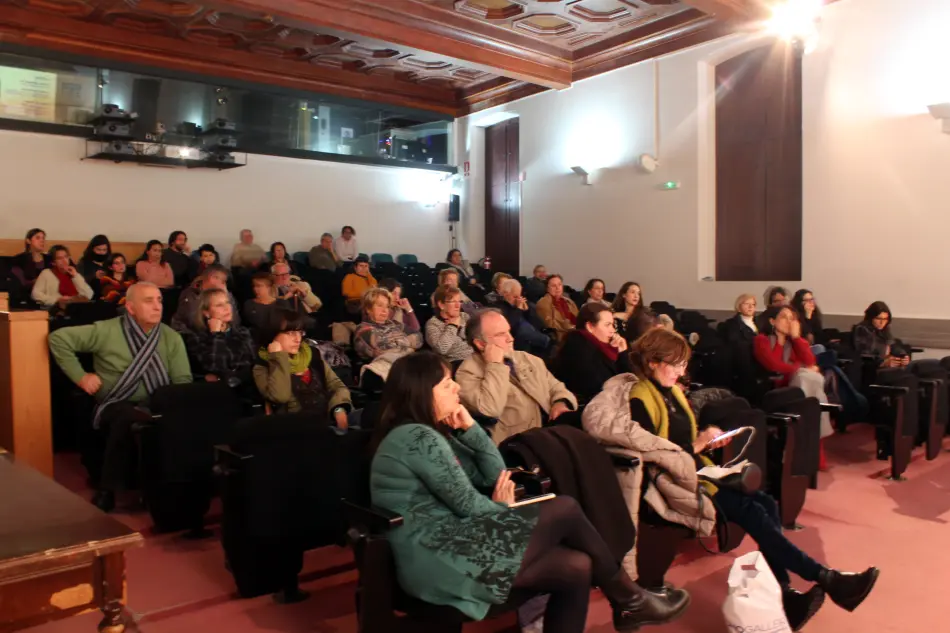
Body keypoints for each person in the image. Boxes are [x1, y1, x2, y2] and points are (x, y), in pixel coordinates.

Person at [370, 351, 687, 633]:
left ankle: (629, 602)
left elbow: (497, 474)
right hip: (439, 561)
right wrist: (502, 508)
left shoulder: (436, 434)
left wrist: (471, 429)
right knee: (564, 508)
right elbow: (470, 505)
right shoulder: (417, 437)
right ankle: (629, 600)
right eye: (446, 384)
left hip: (455, 545)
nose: (457, 388)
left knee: (577, 566)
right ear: (420, 393)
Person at [620, 329, 879, 629]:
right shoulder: (640, 398)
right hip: (670, 484)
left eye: (684, 364)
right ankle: (826, 578)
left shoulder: (673, 392)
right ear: (652, 362)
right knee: (750, 509)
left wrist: (707, 442)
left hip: (697, 474)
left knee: (766, 503)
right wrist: (699, 444)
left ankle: (786, 594)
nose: (681, 371)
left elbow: (684, 443)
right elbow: (653, 455)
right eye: (675, 364)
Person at [48, 282, 192, 512]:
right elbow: (58, 339)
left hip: (157, 402)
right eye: (148, 301)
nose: (157, 307)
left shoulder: (170, 337)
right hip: (117, 402)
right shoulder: (106, 330)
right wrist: (81, 376)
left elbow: (182, 380)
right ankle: (108, 489)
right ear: (131, 308)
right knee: (126, 417)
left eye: (159, 300)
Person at [456, 309, 577, 444]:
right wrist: (495, 365)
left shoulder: (527, 358)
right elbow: (489, 409)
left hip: (552, 432)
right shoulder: (467, 373)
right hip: (519, 445)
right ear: (480, 344)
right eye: (501, 334)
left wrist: (560, 402)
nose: (511, 338)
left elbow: (556, 386)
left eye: (508, 331)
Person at [253, 310, 351, 426]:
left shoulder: (310, 354)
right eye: (290, 333)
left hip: (328, 420)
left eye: (300, 332)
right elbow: (280, 396)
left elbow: (337, 386)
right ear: (272, 334)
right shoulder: (263, 366)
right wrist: (278, 357)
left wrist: (338, 409)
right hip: (295, 428)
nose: (297, 339)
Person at [754, 306, 834, 438]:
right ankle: (815, 433)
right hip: (776, 388)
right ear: (772, 321)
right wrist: (799, 367)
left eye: (791, 318)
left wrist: (796, 337)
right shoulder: (762, 340)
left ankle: (812, 433)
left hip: (798, 385)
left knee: (811, 381)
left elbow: (810, 361)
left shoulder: (794, 342)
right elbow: (773, 366)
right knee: (806, 376)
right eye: (784, 317)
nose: (789, 322)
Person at [553, 304, 631, 403]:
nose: (613, 330)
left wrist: (622, 353)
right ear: (590, 326)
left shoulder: (601, 347)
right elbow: (603, 387)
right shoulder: (579, 349)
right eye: (607, 325)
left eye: (612, 325)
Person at [180, 288, 256, 387]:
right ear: (206, 313)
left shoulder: (242, 332)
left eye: (227, 303)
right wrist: (216, 334)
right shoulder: (196, 337)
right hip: (218, 388)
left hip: (246, 385)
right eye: (219, 305)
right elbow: (215, 365)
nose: (227, 308)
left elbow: (252, 361)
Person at [354, 287, 423, 361]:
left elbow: (419, 337)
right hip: (383, 366)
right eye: (380, 305)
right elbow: (383, 348)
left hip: (405, 363)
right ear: (368, 309)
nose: (385, 310)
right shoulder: (362, 329)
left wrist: (396, 342)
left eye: (387, 306)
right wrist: (409, 348)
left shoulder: (395, 324)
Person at [171, 264, 241, 333]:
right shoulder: (190, 294)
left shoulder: (226, 294)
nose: (224, 284)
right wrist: (215, 331)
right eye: (222, 281)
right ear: (212, 278)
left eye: (224, 282)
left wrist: (226, 295)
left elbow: (235, 321)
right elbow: (191, 320)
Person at [497, 278, 551, 356]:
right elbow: (509, 325)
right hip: (516, 340)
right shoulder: (499, 307)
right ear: (506, 294)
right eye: (515, 297)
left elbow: (538, 324)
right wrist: (518, 309)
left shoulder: (523, 304)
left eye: (520, 296)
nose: (518, 299)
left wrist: (527, 310)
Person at [720, 293, 760, 399]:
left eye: (753, 304)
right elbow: (736, 344)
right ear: (739, 306)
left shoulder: (760, 322)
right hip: (743, 363)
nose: (750, 307)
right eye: (747, 304)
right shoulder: (731, 324)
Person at [852, 301, 910, 368]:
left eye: (885, 319)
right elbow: (866, 357)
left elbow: (893, 345)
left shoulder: (884, 330)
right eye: (878, 318)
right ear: (871, 318)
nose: (882, 322)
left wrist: (903, 356)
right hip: (871, 369)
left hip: (886, 367)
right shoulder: (862, 330)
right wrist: (883, 363)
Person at [425, 285, 473, 364]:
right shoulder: (433, 324)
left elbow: (473, 338)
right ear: (441, 305)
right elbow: (442, 349)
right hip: (453, 363)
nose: (458, 306)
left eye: (459, 301)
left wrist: (460, 329)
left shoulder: (465, 316)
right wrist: (452, 326)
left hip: (474, 358)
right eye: (453, 302)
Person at [535, 274, 578, 343]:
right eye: (553, 286)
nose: (557, 288)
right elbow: (549, 324)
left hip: (574, 332)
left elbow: (578, 318)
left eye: (559, 285)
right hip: (560, 336)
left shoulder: (569, 301)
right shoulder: (543, 303)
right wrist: (568, 327)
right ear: (547, 289)